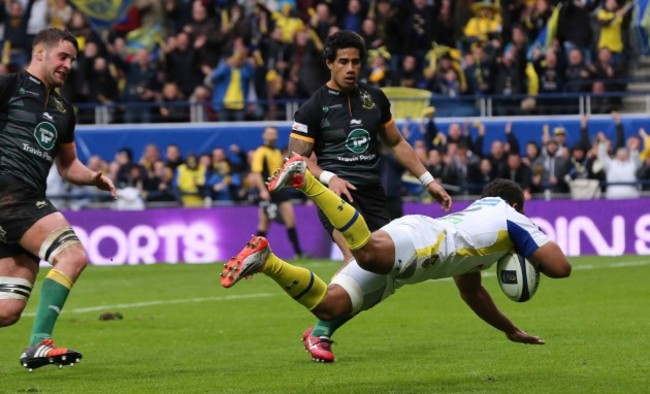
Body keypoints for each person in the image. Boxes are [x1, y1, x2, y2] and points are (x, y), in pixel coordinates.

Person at [220, 155, 571, 363]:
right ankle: (307, 180)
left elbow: (472, 293)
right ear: (516, 205)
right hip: (424, 242)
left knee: (330, 306)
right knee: (368, 253)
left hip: (414, 254)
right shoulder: (511, 216)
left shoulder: (481, 226)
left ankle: (266, 261)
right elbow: (561, 268)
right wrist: (523, 246)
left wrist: (509, 330)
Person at [285, 30, 452, 341]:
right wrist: (329, 178)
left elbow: (397, 143)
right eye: (344, 62)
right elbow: (296, 158)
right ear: (329, 64)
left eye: (356, 62)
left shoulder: (374, 99)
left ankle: (323, 325)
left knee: (385, 272)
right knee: (356, 262)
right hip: (334, 195)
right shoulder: (312, 107)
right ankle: (321, 331)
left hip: (373, 194)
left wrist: (428, 181)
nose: (351, 68)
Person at [0, 28, 116, 370]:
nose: (67, 65)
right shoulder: (10, 87)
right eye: (62, 57)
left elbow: (67, 166)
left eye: (72, 60)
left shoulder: (64, 109)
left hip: (23, 203)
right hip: (10, 194)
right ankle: (39, 343)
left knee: (7, 311)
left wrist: (93, 177)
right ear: (40, 54)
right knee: (73, 255)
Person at [251, 127, 306, 259]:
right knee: (264, 224)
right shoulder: (260, 152)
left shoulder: (277, 152)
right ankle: (253, 253)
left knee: (291, 220)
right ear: (264, 136)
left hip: (280, 190)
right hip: (268, 191)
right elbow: (256, 173)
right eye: (269, 133)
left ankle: (298, 253)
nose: (272, 136)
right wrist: (263, 191)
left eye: (274, 133)